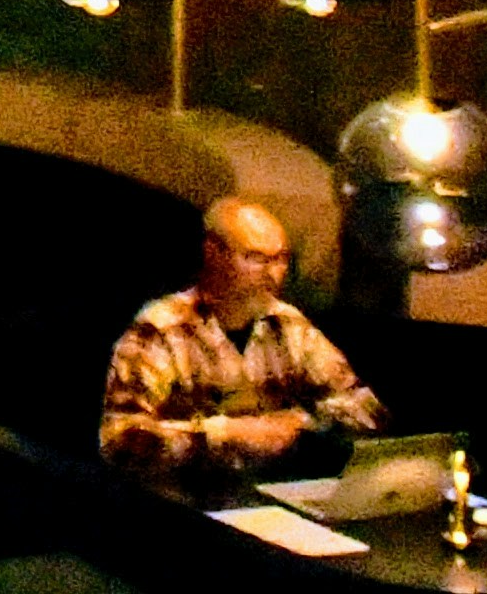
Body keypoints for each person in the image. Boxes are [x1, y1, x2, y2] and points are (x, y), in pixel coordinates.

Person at [99, 197, 384, 492]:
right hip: (184, 505)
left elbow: (367, 410)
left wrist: (298, 426)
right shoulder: (162, 329)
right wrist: (225, 434)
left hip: (268, 498)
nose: (273, 274)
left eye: (281, 259)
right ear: (214, 253)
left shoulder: (287, 325)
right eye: (256, 258)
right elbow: (121, 440)